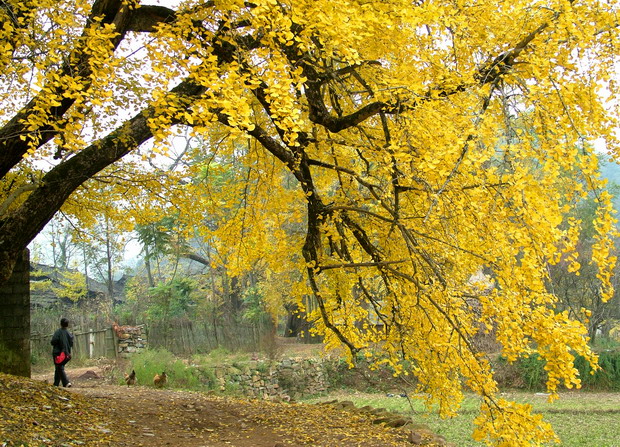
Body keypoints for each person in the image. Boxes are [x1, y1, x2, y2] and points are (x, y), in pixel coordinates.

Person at [51, 318, 74, 387]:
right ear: (67, 325)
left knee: (59, 367)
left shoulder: (58, 332)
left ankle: (66, 382)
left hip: (58, 353)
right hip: (67, 354)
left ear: (60, 324)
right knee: (58, 368)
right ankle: (56, 384)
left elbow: (53, 341)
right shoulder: (69, 334)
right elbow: (71, 343)